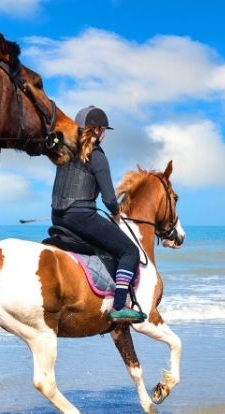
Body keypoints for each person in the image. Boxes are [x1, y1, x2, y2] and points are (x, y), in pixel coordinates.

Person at [51, 106, 145, 323]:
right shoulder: (98, 156)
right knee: (129, 251)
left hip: (58, 217)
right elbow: (110, 199)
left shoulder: (64, 152)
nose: (104, 135)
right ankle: (119, 306)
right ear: (95, 131)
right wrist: (116, 214)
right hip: (82, 217)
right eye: (103, 130)